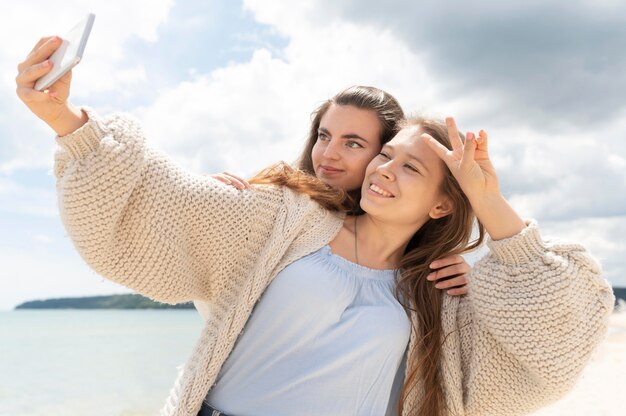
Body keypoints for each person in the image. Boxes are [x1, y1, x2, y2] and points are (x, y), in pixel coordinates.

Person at [16, 37, 614, 416]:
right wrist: (65, 118)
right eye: (385, 156)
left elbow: (558, 341)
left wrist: (490, 203)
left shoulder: (444, 295)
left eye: (410, 167)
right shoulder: (283, 217)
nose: (383, 170)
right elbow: (157, 203)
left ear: (441, 206)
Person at [208, 85, 471, 297]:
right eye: (323, 136)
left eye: (353, 144)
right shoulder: (279, 209)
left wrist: (466, 278)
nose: (328, 154)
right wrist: (213, 195)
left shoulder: (407, 261)